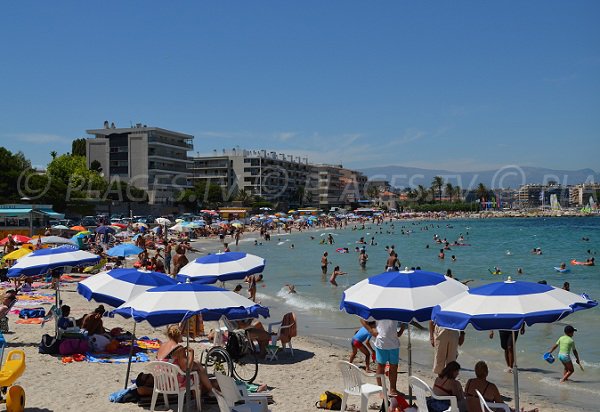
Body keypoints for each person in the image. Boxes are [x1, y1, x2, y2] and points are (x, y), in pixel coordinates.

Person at [157, 324, 215, 392]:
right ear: (179, 335)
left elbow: (171, 361)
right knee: (198, 371)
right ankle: (211, 390)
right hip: (173, 384)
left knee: (197, 366)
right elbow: (187, 369)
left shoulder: (162, 345)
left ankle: (208, 390)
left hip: (161, 381)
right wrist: (191, 353)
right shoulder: (178, 348)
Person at [360, 319, 404, 396]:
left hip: (394, 344)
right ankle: (381, 389)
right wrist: (371, 330)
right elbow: (362, 319)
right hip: (381, 343)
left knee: (394, 367)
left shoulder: (397, 309)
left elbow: (395, 327)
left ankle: (393, 389)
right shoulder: (378, 309)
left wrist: (402, 328)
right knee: (381, 367)